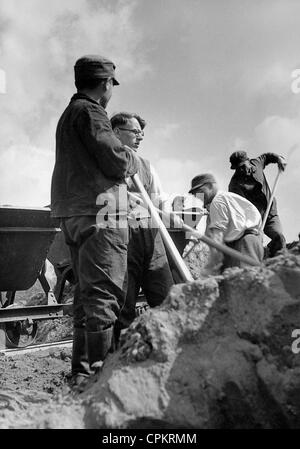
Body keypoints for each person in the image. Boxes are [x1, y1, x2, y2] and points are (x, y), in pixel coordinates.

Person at [50, 55, 139, 387]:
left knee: (87, 295)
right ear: (106, 84)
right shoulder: (91, 112)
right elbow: (115, 159)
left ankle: (82, 373)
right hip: (99, 213)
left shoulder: (69, 114)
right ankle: (97, 378)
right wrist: (129, 157)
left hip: (73, 211)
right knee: (104, 294)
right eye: (111, 85)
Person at [110, 112, 174, 342]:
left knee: (166, 296)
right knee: (123, 303)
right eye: (135, 132)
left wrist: (172, 215)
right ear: (117, 132)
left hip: (151, 235)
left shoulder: (146, 166)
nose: (140, 137)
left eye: (141, 133)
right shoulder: (105, 161)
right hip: (122, 237)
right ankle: (120, 362)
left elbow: (160, 198)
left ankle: (168, 350)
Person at [189, 173, 264, 272]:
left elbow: (217, 239)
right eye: (195, 194)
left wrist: (210, 268)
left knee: (245, 279)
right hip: (247, 241)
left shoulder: (217, 202)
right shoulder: (224, 198)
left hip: (245, 243)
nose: (198, 197)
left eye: (199, 192)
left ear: (210, 186)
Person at [228, 151, 286, 257]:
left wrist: (279, 159)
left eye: (242, 166)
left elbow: (267, 156)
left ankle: (270, 258)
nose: (241, 170)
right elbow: (239, 209)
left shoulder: (257, 163)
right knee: (255, 246)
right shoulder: (235, 185)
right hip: (254, 220)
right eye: (237, 168)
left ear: (248, 161)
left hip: (270, 213)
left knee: (279, 238)